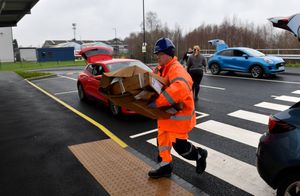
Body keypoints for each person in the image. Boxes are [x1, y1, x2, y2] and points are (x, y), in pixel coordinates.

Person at [148, 37, 208, 179]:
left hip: (179, 119)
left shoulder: (176, 69)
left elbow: (179, 88)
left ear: (168, 54)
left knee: (181, 148)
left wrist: (157, 102)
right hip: (166, 117)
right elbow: (150, 79)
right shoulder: (161, 68)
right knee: (161, 141)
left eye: (159, 54)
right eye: (156, 54)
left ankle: (200, 155)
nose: (157, 56)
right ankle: (166, 165)